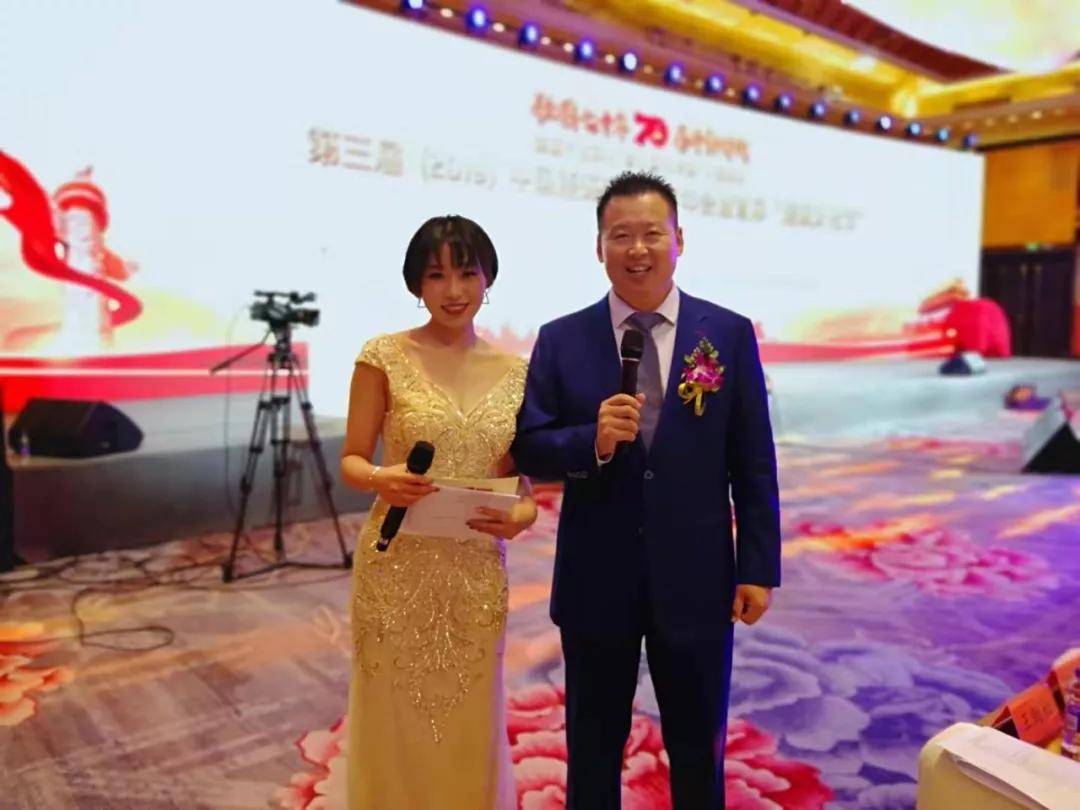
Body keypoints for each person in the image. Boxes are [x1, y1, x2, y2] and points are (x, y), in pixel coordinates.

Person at [511, 171, 781, 809]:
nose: (637, 249)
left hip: (697, 576)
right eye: (620, 235)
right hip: (596, 577)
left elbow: (753, 460)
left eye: (652, 234)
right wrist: (592, 442)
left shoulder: (727, 334)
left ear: (680, 240)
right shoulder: (561, 338)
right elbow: (530, 446)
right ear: (598, 246)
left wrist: (757, 567)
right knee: (593, 744)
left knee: (697, 743)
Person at [340, 215, 537, 809]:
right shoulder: (383, 355)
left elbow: (518, 483)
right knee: (392, 711)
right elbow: (352, 460)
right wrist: (381, 477)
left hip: (475, 568)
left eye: (467, 274)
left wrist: (523, 515)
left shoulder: (517, 373)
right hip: (396, 561)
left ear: (487, 278)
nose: (454, 290)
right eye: (436, 275)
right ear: (416, 284)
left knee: (469, 711)